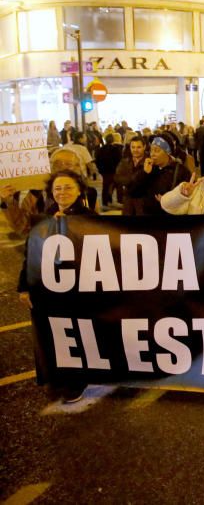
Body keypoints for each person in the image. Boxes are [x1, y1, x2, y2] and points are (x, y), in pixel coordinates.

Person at [16, 168, 95, 404]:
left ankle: (76, 382)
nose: (62, 192)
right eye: (57, 188)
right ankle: (56, 376)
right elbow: (32, 254)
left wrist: (68, 228)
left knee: (76, 335)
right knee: (52, 334)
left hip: (78, 291)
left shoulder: (90, 217)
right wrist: (23, 286)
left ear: (80, 190)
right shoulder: (45, 217)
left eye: (68, 187)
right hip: (47, 289)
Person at [127, 136, 186, 216]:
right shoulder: (149, 168)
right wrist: (144, 173)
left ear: (167, 152)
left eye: (157, 150)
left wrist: (166, 201)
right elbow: (133, 192)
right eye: (151, 150)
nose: (152, 154)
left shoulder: (180, 171)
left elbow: (185, 199)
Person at [114, 137, 147, 216]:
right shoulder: (125, 161)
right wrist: (131, 180)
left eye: (138, 147)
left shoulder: (148, 162)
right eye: (133, 147)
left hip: (143, 200)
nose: (135, 150)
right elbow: (117, 178)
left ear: (144, 147)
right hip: (128, 199)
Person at [94, 133, 123, 211]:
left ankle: (105, 202)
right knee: (118, 186)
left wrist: (100, 170)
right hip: (114, 171)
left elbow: (97, 161)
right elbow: (119, 160)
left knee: (105, 187)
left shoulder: (101, 149)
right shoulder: (115, 149)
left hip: (105, 172)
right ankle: (119, 201)